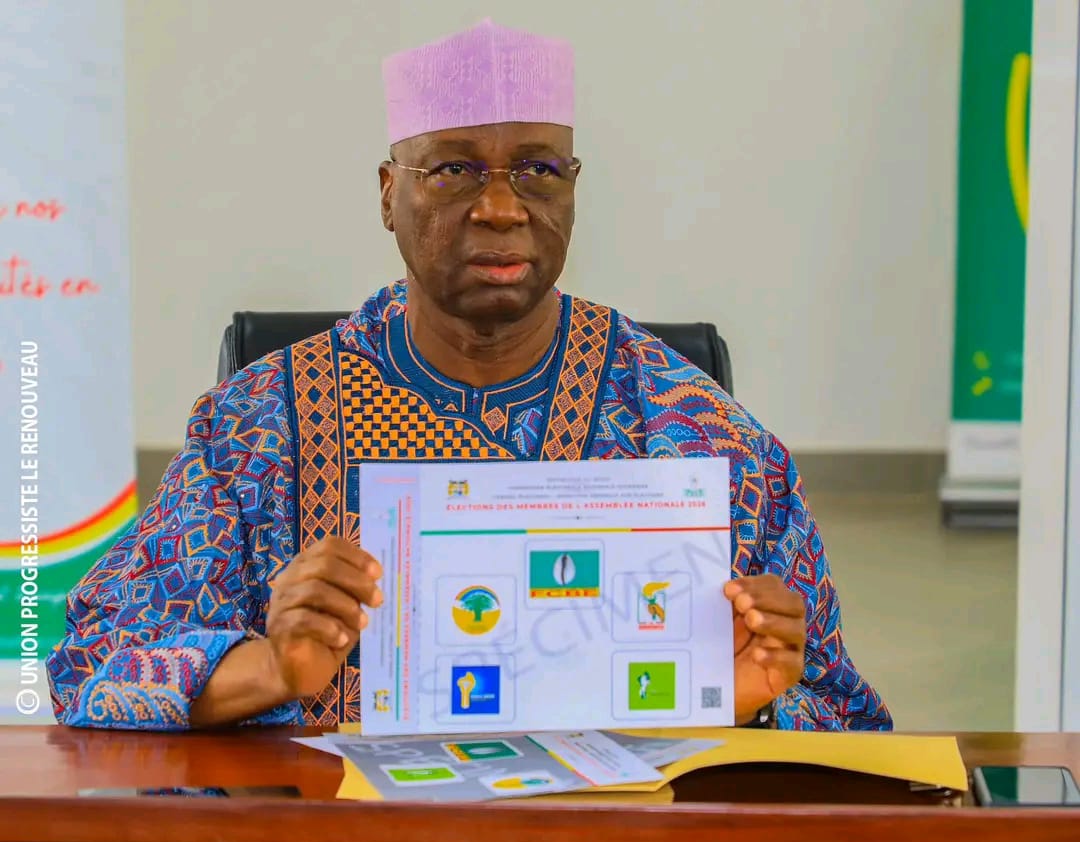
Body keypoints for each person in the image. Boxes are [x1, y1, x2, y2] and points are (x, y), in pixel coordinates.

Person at [45, 19, 891, 733]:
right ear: (389, 194)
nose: (500, 207)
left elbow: (846, 721)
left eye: (538, 170)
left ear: (573, 190)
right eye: (453, 170)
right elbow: (91, 664)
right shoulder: (258, 427)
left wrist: (743, 702)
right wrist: (271, 668)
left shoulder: (704, 438)